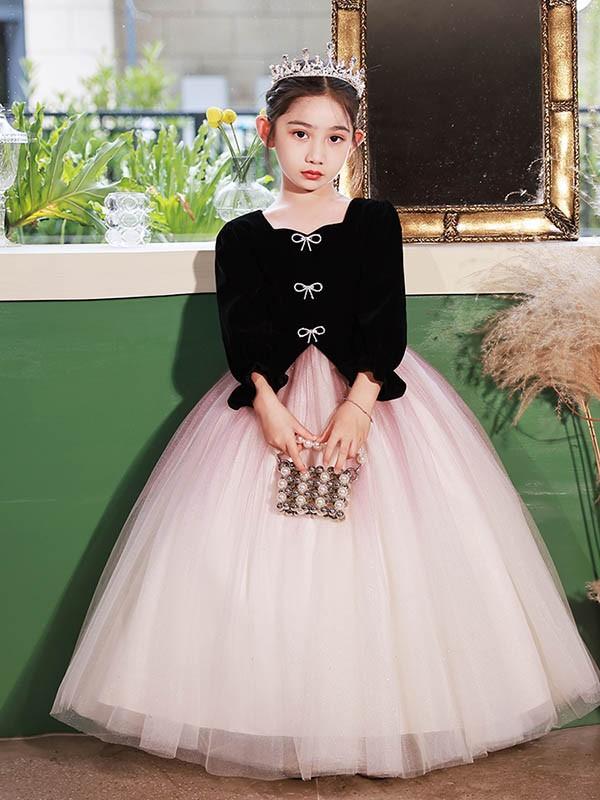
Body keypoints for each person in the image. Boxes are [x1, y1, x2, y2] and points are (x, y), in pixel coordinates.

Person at [50, 42, 600, 782]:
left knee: (389, 561)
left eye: (335, 137)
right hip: (270, 406)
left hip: (372, 399)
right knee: (254, 559)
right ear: (267, 134)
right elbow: (242, 332)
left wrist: (359, 407)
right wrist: (268, 406)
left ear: (355, 142)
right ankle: (273, 717)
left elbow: (385, 322)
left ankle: (382, 716)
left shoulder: (373, 221)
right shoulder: (242, 236)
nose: (316, 153)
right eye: (300, 133)